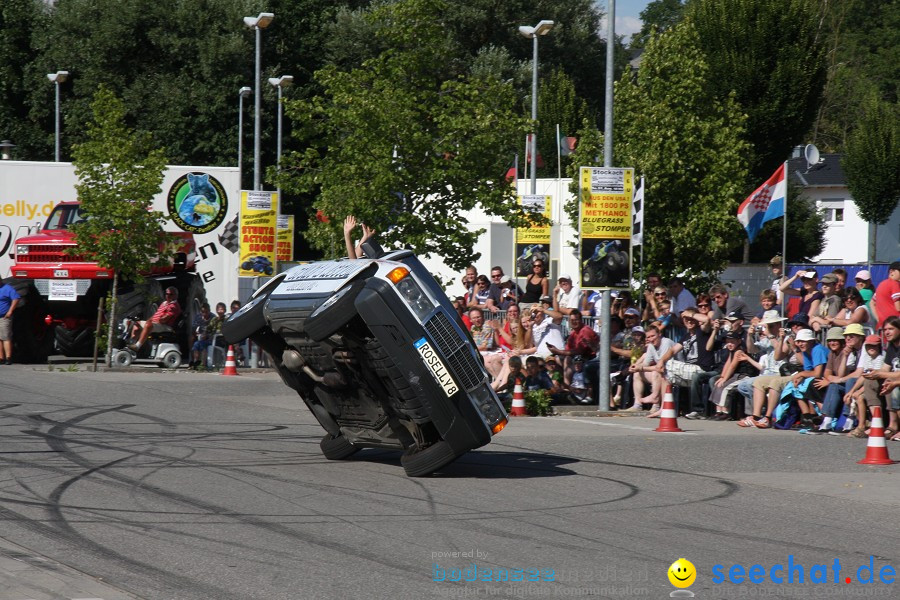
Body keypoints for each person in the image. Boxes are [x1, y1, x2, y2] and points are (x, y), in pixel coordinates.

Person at [843, 335, 886, 438]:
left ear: (879, 347)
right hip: (870, 383)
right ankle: (862, 425)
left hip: (880, 384)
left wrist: (860, 391)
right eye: (869, 346)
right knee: (854, 396)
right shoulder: (868, 357)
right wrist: (851, 391)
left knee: (859, 395)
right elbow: (864, 376)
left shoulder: (881, 357)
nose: (871, 348)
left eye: (874, 346)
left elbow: (873, 378)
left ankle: (865, 426)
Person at [627, 325, 675, 413]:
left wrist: (641, 367)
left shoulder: (666, 343)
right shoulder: (651, 346)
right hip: (663, 373)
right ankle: (637, 404)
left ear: (660, 334)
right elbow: (646, 363)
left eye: (653, 336)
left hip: (673, 372)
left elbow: (661, 367)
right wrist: (637, 367)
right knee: (637, 373)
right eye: (648, 337)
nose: (651, 339)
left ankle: (656, 404)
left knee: (656, 373)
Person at [128, 286, 182, 352]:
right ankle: (132, 344)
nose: (168, 295)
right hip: (157, 323)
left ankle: (137, 346)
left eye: (171, 294)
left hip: (166, 326)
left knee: (148, 325)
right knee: (136, 323)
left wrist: (154, 320)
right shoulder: (164, 303)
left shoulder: (174, 306)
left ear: (175, 296)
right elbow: (156, 315)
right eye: (167, 294)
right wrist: (150, 320)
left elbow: (164, 320)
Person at [872, 261, 900, 329]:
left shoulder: (881, 284)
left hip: (883, 326)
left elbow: (872, 303)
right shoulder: (895, 284)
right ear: (891, 272)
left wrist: (878, 319)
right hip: (895, 325)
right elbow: (898, 308)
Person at [0, 278, 21, 365]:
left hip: (4, 317)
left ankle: (8, 357)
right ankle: (1, 358)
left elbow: (16, 298)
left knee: (6, 337)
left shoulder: (7, 288)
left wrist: (10, 311)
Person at [188, 302, 213, 369]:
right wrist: (196, 333)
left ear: (209, 311)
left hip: (209, 337)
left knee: (201, 343)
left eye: (206, 312)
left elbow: (213, 331)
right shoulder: (198, 317)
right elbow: (194, 327)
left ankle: (202, 362)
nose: (204, 314)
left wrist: (207, 335)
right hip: (199, 336)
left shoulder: (213, 318)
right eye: (203, 312)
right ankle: (194, 361)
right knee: (192, 339)